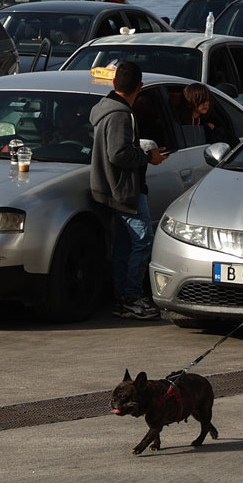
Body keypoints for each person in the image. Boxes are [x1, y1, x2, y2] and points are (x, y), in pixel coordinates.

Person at [90, 61, 167, 321]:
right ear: (140, 87)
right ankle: (132, 297)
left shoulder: (106, 109)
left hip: (113, 188)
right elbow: (119, 154)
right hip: (124, 189)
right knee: (143, 241)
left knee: (124, 245)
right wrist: (148, 157)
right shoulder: (121, 114)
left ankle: (123, 297)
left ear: (114, 83)